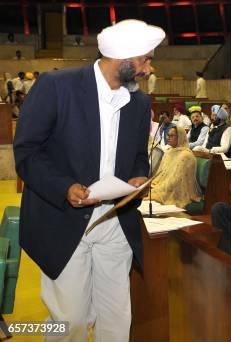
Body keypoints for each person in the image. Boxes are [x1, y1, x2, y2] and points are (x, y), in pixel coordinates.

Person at [13, 19, 164, 341]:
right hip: (63, 220)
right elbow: (27, 152)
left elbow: (138, 154)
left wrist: (139, 174)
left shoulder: (139, 102)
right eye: (145, 59)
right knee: (71, 322)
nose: (149, 69)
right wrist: (64, 187)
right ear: (123, 57)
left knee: (117, 317)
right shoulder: (57, 86)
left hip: (114, 221)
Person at [149, 126, 201, 207]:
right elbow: (160, 174)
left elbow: (176, 180)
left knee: (150, 196)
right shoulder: (169, 152)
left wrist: (160, 188)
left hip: (176, 190)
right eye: (167, 135)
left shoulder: (186, 156)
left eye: (171, 136)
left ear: (180, 137)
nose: (168, 138)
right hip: (162, 185)